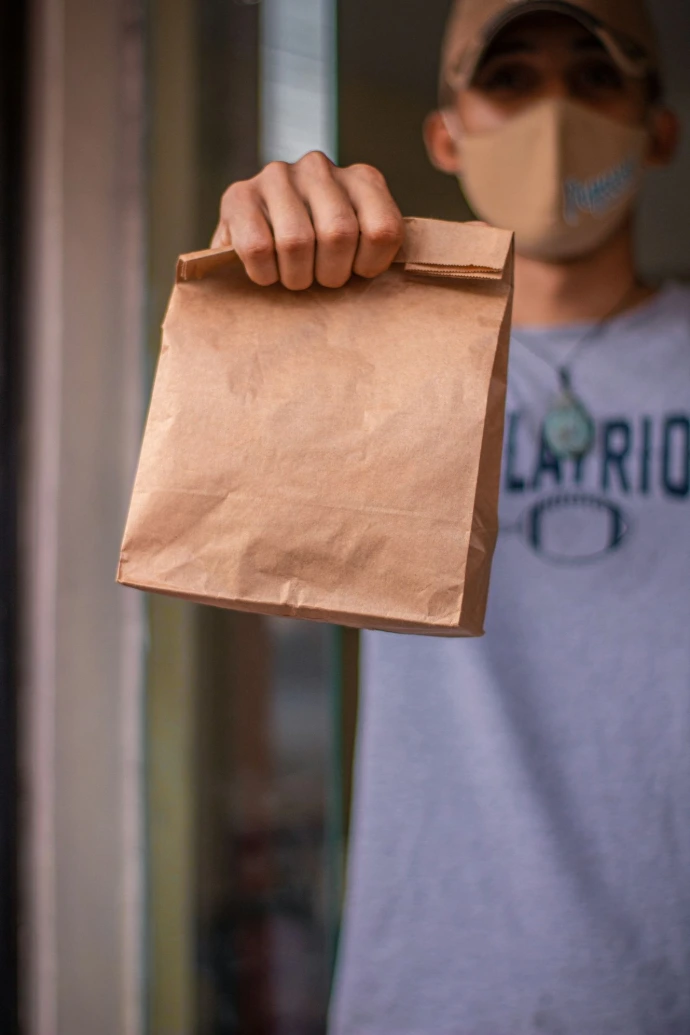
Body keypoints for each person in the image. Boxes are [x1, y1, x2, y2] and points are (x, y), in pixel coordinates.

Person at [213, 1, 690, 1030]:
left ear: (660, 127)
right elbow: (230, 524)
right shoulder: (381, 362)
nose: (554, 114)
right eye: (510, 78)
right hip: (430, 990)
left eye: (597, 76)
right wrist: (254, 292)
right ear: (446, 133)